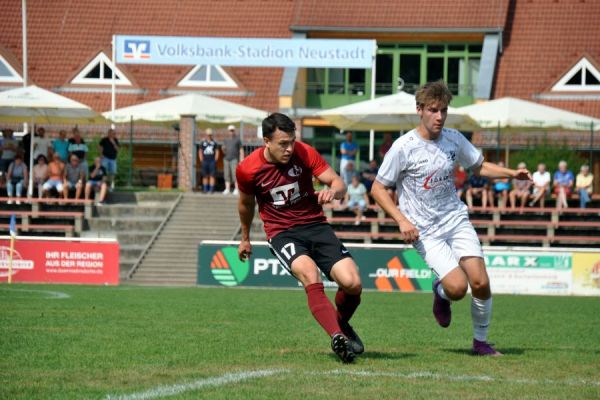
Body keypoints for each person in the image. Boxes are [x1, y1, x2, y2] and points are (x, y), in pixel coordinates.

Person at [370, 80, 532, 356]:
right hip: (424, 230)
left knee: (480, 282)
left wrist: (510, 174)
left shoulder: (454, 139)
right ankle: (441, 292)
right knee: (457, 288)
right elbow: (378, 188)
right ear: (419, 109)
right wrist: (402, 220)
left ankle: (480, 342)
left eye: (444, 110)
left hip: (455, 220)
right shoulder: (403, 147)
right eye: (433, 110)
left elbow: (479, 166)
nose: (439, 116)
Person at [236, 112, 364, 363]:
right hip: (282, 233)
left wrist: (334, 192)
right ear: (266, 141)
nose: (289, 148)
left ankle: (339, 325)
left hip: (316, 226)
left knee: (353, 283)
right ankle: (337, 336)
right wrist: (245, 237)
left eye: (292, 141)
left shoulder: (304, 152)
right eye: (283, 143)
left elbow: (338, 182)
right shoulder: (248, 169)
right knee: (309, 274)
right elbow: (245, 205)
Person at [221, 124, 244, 195]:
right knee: (226, 174)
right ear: (228, 131)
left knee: (235, 174)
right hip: (226, 159)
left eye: (232, 130)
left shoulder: (238, 139)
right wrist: (223, 149)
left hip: (234, 159)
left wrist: (242, 159)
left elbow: (241, 150)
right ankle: (227, 189)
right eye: (230, 130)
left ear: (234, 131)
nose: (231, 132)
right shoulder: (225, 140)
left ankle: (236, 189)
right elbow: (223, 150)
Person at [198, 128, 219, 193]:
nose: (209, 136)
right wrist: (201, 160)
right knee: (205, 175)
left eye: (210, 135)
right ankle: (205, 189)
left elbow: (217, 151)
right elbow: (200, 151)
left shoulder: (214, 142)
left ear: (211, 135)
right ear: (206, 135)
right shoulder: (203, 142)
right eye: (208, 135)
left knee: (212, 175)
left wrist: (215, 160)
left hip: (212, 161)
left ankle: (211, 189)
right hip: (205, 161)